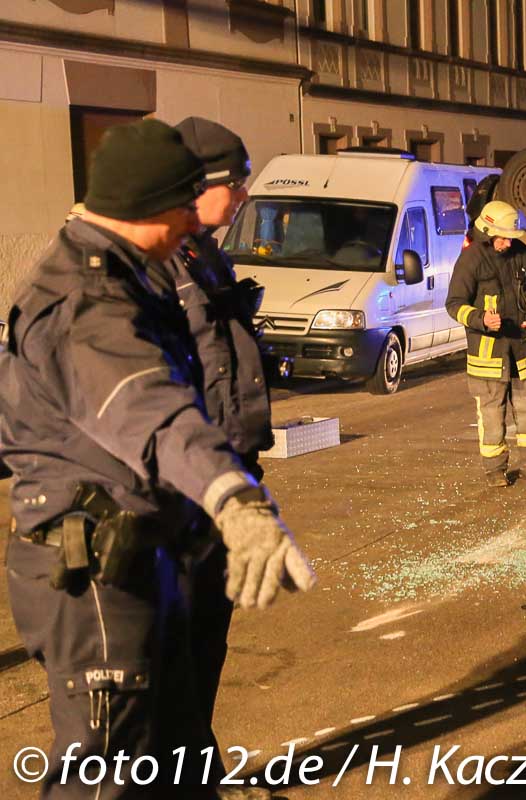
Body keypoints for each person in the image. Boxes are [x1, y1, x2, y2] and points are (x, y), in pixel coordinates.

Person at [0, 119, 315, 799]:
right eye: (183, 211)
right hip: (94, 574)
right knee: (105, 772)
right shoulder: (87, 303)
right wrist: (232, 496)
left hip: (142, 547)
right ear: (151, 206)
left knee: (174, 747)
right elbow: (151, 410)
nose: (192, 228)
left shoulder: (125, 274)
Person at [168, 117, 277, 796]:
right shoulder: (156, 266)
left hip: (224, 477)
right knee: (170, 652)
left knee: (206, 640)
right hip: (180, 493)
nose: (242, 195)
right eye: (234, 182)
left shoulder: (204, 254)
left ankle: (196, 775)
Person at [446, 200, 526, 487]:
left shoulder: (522, 254)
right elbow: (454, 304)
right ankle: (495, 471)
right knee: (491, 415)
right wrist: (481, 319)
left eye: (511, 237)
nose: (508, 243)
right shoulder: (471, 259)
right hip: (489, 355)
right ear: (487, 232)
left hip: (522, 351)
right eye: (502, 238)